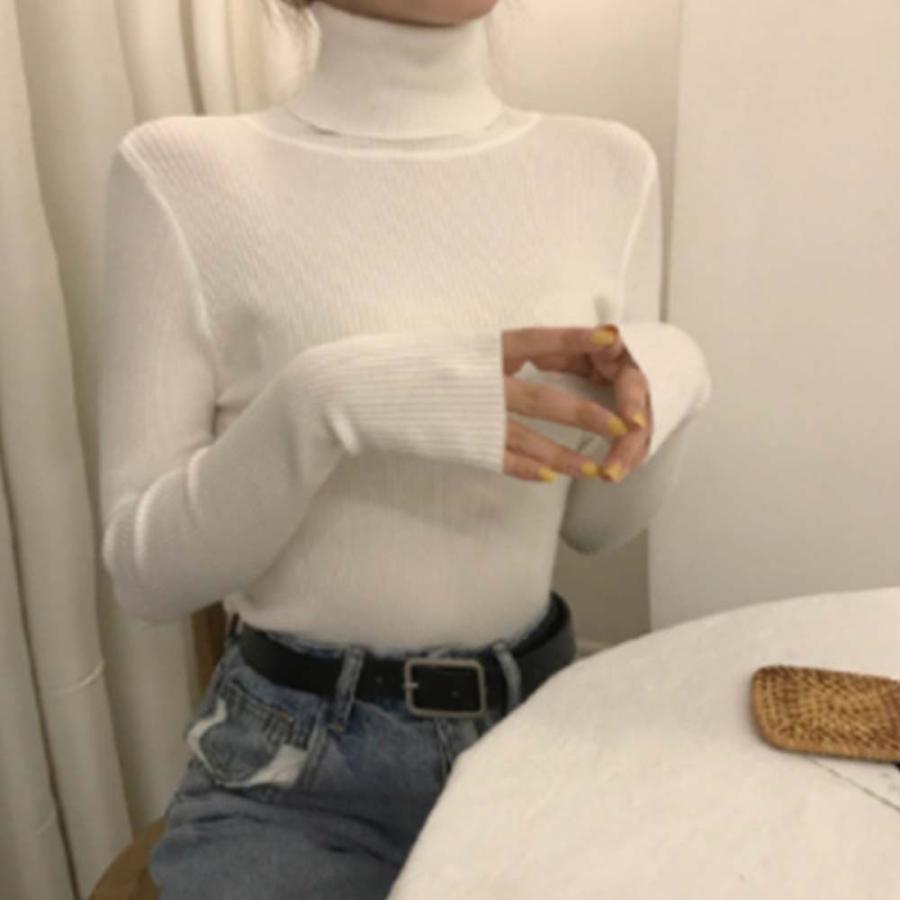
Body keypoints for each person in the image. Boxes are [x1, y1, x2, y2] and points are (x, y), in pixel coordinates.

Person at [98, 0, 712, 896]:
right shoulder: (180, 173)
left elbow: (596, 522)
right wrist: (325, 402)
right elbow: (145, 575)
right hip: (295, 779)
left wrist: (681, 374)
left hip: (543, 736)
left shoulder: (612, 166)